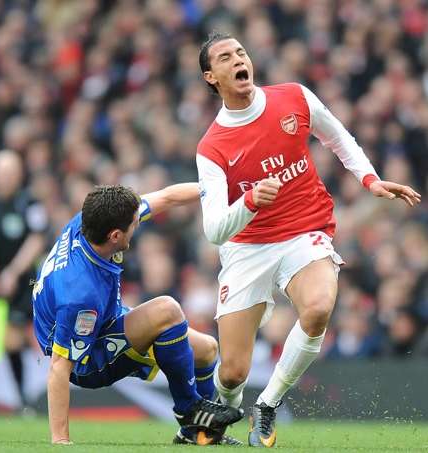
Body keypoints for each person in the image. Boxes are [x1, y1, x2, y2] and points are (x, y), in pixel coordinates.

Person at [195, 31, 422, 448]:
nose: (237, 60)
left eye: (240, 52)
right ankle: (226, 409)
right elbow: (214, 230)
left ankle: (268, 404)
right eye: (225, 58)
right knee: (231, 373)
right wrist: (248, 201)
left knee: (318, 308)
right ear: (212, 77)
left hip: (305, 229)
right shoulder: (211, 147)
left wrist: (369, 179)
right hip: (247, 247)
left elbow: (336, 136)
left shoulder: (293, 98)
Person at [32, 183, 244, 446]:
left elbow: (167, 197)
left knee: (207, 350)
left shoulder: (91, 221)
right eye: (134, 224)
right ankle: (189, 408)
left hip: (106, 320)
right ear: (116, 236)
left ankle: (195, 435)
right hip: (88, 359)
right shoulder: (80, 294)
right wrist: (60, 441)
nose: (139, 224)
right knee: (167, 310)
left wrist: (224, 188)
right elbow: (59, 368)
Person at [0, 150, 48, 410]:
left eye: (10, 172)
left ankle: (21, 399)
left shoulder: (29, 203)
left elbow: (37, 239)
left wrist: (13, 272)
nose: (5, 178)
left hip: (22, 281)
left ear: (19, 175)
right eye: (1, 172)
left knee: (12, 336)